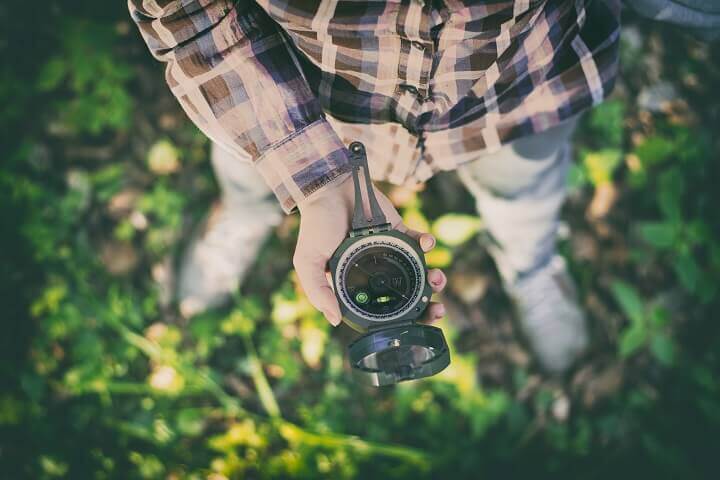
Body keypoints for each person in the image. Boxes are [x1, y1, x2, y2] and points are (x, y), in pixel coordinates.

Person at [127, 0, 717, 374]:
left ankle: (530, 266)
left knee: (525, 190)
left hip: (519, 92)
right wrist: (311, 177)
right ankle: (247, 215)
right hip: (291, 97)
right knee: (250, 172)